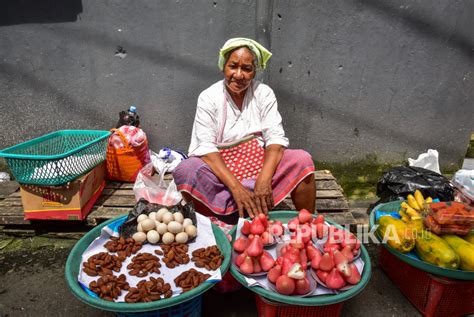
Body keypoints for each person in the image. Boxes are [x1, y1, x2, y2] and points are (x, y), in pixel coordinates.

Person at [173, 37, 316, 224]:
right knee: (186, 169)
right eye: (233, 66)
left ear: (254, 71)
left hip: (258, 170)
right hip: (221, 176)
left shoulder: (263, 93)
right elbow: (206, 148)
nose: (239, 75)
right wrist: (237, 188)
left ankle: (309, 224)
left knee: (301, 159)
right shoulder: (209, 97)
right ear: (223, 66)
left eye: (247, 69)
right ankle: (213, 222)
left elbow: (275, 139)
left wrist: (264, 181)